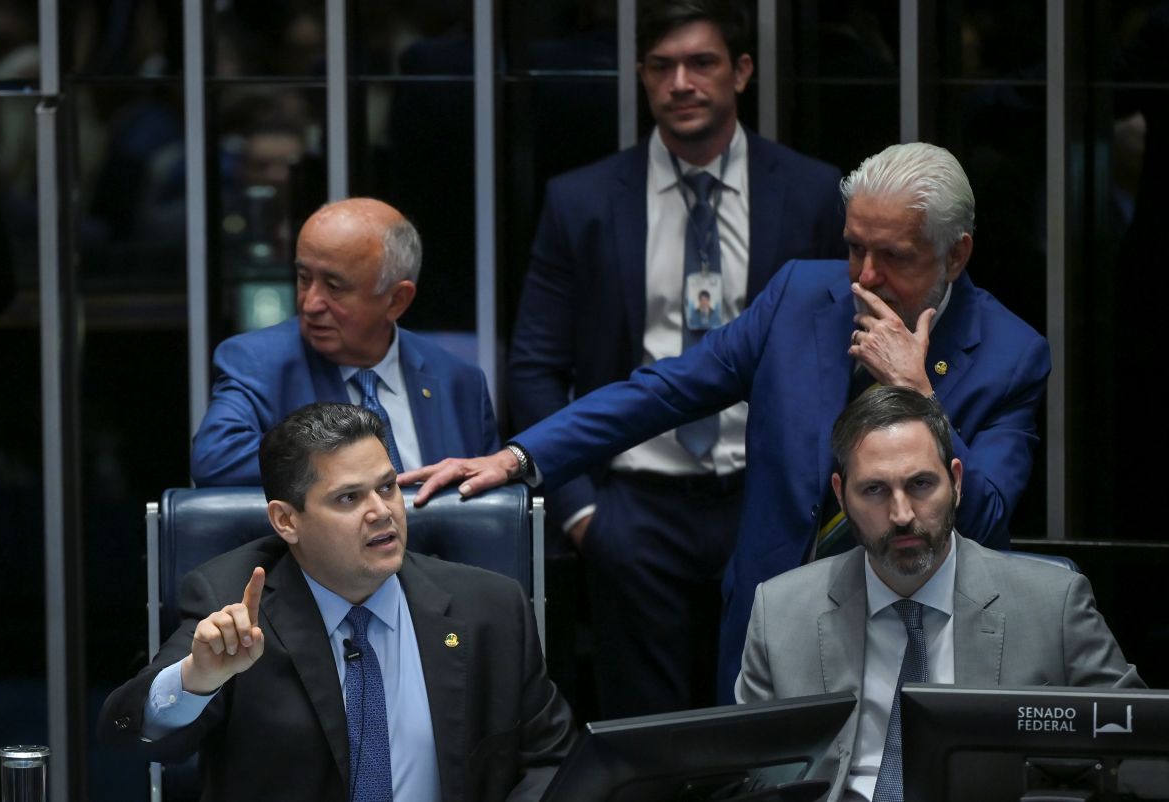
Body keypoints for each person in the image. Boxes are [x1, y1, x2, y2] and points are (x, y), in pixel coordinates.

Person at [402, 142, 1052, 703]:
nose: (866, 277)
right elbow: (667, 390)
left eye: (895, 257)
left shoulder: (1010, 354)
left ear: (956, 254)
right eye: (855, 248)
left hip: (918, 634)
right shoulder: (802, 295)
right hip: (776, 624)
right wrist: (519, 458)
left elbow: (988, 519)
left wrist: (917, 394)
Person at [505, 0, 845, 717]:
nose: (681, 83)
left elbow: (842, 353)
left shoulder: (812, 193)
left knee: (761, 716)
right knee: (644, 732)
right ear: (641, 75)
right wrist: (579, 513)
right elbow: (536, 363)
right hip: (632, 510)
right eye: (661, 67)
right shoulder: (584, 201)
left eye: (702, 63)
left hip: (766, 495)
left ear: (742, 72)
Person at [100, 403, 575, 801]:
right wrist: (196, 682)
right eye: (349, 498)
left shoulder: (490, 608)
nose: (381, 511)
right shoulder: (233, 601)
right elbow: (125, 734)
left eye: (388, 486)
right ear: (287, 521)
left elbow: (551, 762)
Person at [735, 386, 1142, 802]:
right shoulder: (780, 611)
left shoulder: (1052, 602)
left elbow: (1138, 747)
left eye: (921, 484)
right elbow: (751, 774)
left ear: (956, 481)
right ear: (841, 495)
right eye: (874, 490)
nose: (901, 514)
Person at [191, 197, 500, 486]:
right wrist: (347, 461)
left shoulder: (458, 381)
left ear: (396, 300)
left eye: (334, 287)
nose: (310, 304)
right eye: (303, 278)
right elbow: (215, 460)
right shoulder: (259, 362)